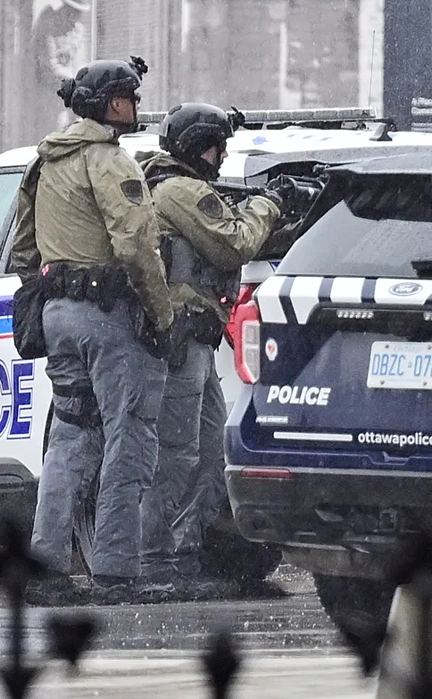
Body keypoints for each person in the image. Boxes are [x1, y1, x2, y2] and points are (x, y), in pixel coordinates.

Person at [13, 56, 175, 605]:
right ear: (109, 104)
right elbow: (135, 244)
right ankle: (115, 570)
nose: (134, 106)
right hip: (111, 319)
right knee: (130, 437)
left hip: (59, 316)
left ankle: (46, 564)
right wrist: (163, 313)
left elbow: (22, 251)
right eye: (127, 97)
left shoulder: (44, 162)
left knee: (69, 439)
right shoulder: (109, 161)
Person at [137, 103, 306, 599]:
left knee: (212, 452)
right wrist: (269, 203)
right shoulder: (179, 191)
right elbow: (234, 243)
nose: (223, 154)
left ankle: (183, 553)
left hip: (196, 341)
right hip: (179, 341)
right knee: (177, 454)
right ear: (197, 148)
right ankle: (155, 559)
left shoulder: (181, 188)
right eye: (217, 146)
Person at [28, 0, 91, 130]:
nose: (78, 17)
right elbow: (50, 67)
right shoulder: (48, 24)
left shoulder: (78, 31)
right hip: (51, 94)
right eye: (75, 11)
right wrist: (78, 81)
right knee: (57, 131)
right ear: (66, 8)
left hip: (73, 94)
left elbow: (80, 65)